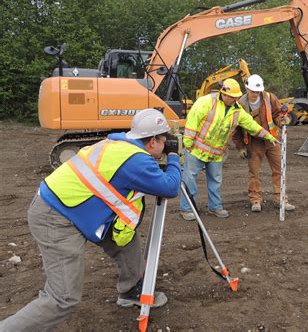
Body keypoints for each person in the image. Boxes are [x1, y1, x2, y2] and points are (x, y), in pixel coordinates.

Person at [0, 109, 182, 332]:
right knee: (63, 298)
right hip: (56, 217)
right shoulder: (136, 162)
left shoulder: (119, 144)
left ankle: (130, 291)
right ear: (153, 141)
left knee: (125, 240)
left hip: (73, 207)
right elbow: (170, 187)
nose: (166, 145)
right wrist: (174, 156)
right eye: (164, 141)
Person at [179, 78, 278, 221]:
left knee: (215, 180)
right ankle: (187, 208)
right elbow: (192, 121)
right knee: (190, 180)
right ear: (223, 94)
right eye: (232, 97)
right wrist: (188, 143)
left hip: (217, 152)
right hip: (196, 149)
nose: (235, 99)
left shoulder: (237, 110)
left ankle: (215, 207)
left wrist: (268, 136)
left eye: (237, 97)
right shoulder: (206, 102)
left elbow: (251, 125)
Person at [232, 74, 295, 212]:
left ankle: (281, 199)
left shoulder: (269, 97)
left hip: (272, 140)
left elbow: (278, 113)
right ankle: (255, 200)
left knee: (279, 170)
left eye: (257, 91)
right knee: (254, 172)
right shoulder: (240, 104)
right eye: (253, 91)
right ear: (247, 88)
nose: (255, 94)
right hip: (253, 142)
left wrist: (282, 120)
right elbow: (236, 128)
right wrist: (241, 147)